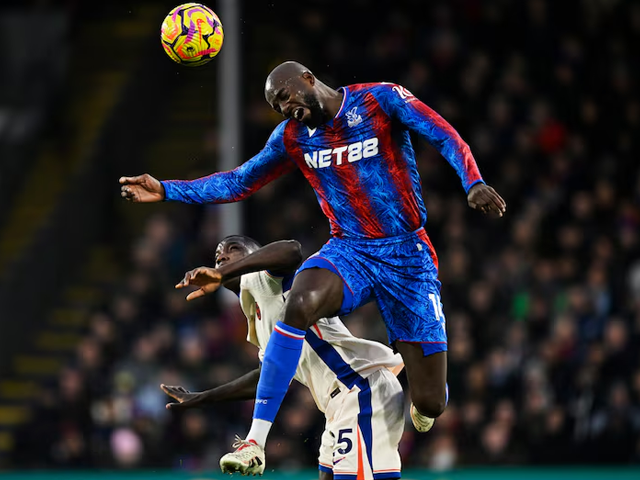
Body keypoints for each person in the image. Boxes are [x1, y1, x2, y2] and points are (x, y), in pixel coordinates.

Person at [120, 61, 506, 460]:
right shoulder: (292, 137)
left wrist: (473, 181)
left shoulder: (379, 98)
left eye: (285, 96)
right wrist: (166, 190)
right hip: (350, 249)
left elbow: (442, 133)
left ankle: (427, 399)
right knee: (299, 301)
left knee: (430, 403)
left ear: (307, 79)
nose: (284, 108)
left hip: (408, 256)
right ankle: (255, 441)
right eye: (275, 105)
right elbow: (238, 181)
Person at [162, 235, 405, 478]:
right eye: (217, 256)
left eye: (233, 249)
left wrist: (227, 271)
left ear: (256, 254)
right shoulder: (257, 310)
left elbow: (291, 250)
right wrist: (203, 398)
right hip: (340, 404)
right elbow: (269, 377)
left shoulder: (264, 280)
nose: (222, 257)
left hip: (360, 390)